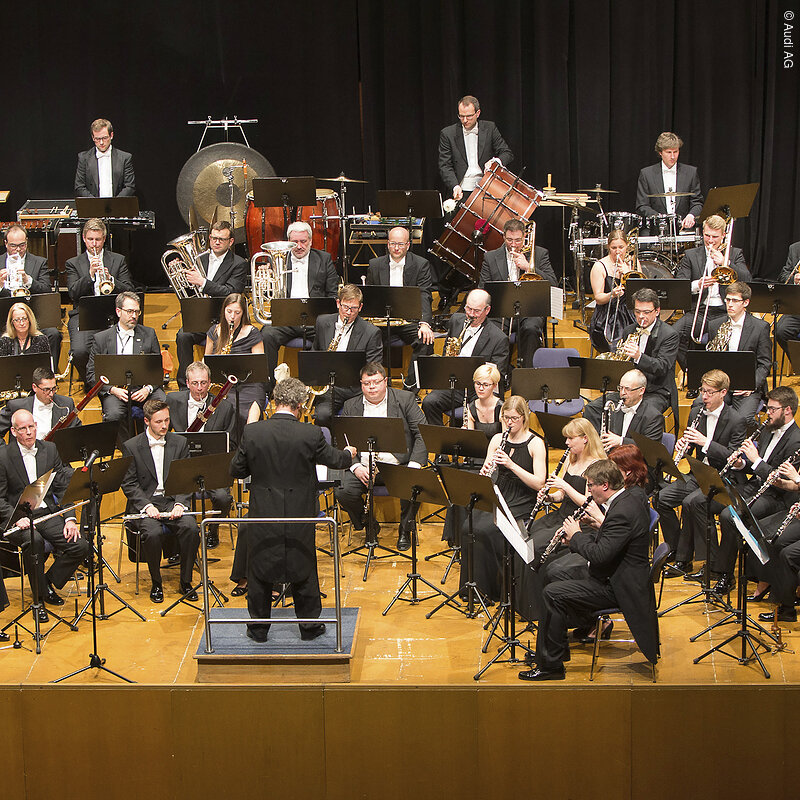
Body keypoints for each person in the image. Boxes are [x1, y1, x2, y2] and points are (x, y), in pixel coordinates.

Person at [230, 377, 356, 642]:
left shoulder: (253, 432)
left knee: (260, 567)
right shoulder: (310, 433)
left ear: (275, 401)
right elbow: (337, 459)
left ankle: (259, 629)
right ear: (300, 405)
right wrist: (350, 453)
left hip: (264, 511)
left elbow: (236, 470)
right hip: (300, 510)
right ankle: (309, 628)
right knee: (303, 564)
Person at [518, 459, 656, 681]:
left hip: (619, 586)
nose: (588, 490)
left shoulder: (622, 511)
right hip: (615, 573)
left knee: (553, 594)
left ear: (604, 486)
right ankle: (554, 650)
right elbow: (615, 539)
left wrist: (576, 536)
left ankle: (551, 666)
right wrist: (595, 527)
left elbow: (600, 555)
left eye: (591, 485)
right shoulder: (631, 496)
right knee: (554, 573)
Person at [709, 386, 800, 595]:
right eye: (767, 408)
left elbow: (783, 478)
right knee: (717, 502)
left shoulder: (796, 440)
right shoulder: (769, 428)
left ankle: (727, 575)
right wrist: (741, 463)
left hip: (778, 495)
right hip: (756, 485)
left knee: (730, 517)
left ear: (787, 410)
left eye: (772, 409)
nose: (767, 413)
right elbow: (755, 466)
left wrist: (756, 460)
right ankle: (728, 569)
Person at [0, 409, 89, 622]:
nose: (29, 432)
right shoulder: (2, 456)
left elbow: (61, 488)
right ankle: (39, 599)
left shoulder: (49, 449)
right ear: (13, 431)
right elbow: (0, 498)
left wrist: (69, 518)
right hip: (17, 519)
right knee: (35, 542)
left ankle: (46, 582)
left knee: (80, 546)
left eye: (32, 426)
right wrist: (15, 518)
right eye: (23, 429)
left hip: (44, 514)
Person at [658, 369, 746, 577]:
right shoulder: (698, 410)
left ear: (723, 392)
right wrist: (684, 446)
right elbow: (691, 447)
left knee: (693, 502)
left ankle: (712, 564)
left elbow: (734, 456)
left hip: (722, 478)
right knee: (662, 498)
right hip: (698, 474)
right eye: (702, 391)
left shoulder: (736, 420)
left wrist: (705, 442)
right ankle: (679, 552)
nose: (704, 396)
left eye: (709, 392)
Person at [517, 418, 606, 622]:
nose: (566, 443)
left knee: (535, 548)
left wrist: (565, 487)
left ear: (585, 439)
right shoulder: (571, 460)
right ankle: (523, 602)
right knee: (527, 536)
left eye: (570, 439)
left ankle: (536, 608)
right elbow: (561, 496)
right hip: (561, 514)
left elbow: (589, 502)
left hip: (580, 523)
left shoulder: (597, 465)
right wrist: (550, 496)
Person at [335, 363, 426, 550]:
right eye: (367, 383)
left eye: (376, 382)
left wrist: (415, 464)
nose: (372, 387)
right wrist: (355, 467)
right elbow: (343, 440)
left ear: (385, 381)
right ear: (361, 384)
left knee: (415, 484)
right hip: (364, 466)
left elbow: (422, 433)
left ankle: (405, 530)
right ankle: (368, 524)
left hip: (398, 464)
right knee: (343, 491)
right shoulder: (351, 405)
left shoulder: (405, 399)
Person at [465, 396, 546, 603]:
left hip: (521, 499)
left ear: (524, 418)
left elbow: (539, 483)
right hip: (498, 494)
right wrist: (485, 472)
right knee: (469, 525)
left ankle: (495, 589)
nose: (510, 422)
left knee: (488, 530)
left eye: (514, 418)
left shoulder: (535, 443)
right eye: (506, 417)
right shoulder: (496, 439)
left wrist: (511, 465)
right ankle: (474, 589)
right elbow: (488, 474)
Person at [120, 398, 200, 604]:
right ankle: (156, 582)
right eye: (158, 422)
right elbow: (129, 484)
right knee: (153, 533)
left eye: (166, 420)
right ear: (146, 421)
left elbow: (185, 479)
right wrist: (147, 507)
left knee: (191, 527)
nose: (164, 425)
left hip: (171, 499)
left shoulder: (180, 443)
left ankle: (186, 581)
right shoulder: (131, 446)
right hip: (145, 503)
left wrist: (180, 504)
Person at [671, 214, 751, 395]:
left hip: (725, 312)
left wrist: (725, 262)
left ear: (723, 235)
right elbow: (680, 284)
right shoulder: (691, 255)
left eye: (715, 237)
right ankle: (693, 374)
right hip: (699, 311)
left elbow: (747, 280)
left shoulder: (735, 253)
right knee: (672, 334)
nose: (710, 241)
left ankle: (721, 382)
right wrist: (697, 285)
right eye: (707, 235)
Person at [260, 220, 340, 393]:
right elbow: (269, 295)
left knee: (329, 335)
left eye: (303, 241)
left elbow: (333, 294)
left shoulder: (324, 259)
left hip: (315, 319)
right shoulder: (277, 259)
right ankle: (268, 389)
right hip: (286, 319)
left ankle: (319, 388)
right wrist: (267, 281)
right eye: (294, 242)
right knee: (266, 335)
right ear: (288, 241)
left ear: (310, 241)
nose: (299, 246)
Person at [166, 361, 236, 550]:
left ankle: (212, 530)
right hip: (182, 465)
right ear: (187, 383)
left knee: (223, 498)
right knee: (168, 497)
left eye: (203, 383)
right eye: (195, 383)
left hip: (211, 465)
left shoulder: (225, 407)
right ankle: (175, 542)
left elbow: (231, 443)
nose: (199, 388)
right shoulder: (172, 401)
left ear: (210, 382)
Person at [173, 221, 248, 389]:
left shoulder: (239, 263)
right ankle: (184, 386)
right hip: (201, 318)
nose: (216, 242)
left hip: (225, 321)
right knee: (183, 335)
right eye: (214, 238)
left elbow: (232, 292)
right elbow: (189, 293)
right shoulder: (200, 260)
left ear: (231, 241)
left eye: (221, 239)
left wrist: (203, 282)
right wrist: (181, 276)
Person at [583, 289, 679, 419]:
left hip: (656, 390)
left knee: (640, 414)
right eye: (637, 311)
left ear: (657, 311)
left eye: (646, 312)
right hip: (630, 390)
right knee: (592, 408)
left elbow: (662, 367)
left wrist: (639, 356)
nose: (641, 316)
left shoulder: (669, 335)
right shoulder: (629, 330)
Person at [422, 288, 510, 425]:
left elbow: (497, 374)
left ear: (487, 310)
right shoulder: (456, 320)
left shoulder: (498, 338)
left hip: (479, 389)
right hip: (454, 385)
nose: (470, 314)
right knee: (429, 402)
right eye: (468, 309)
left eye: (476, 311)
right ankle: (439, 443)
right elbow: (447, 348)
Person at [65, 218, 135, 389]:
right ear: (83, 238)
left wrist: (111, 279)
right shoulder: (73, 263)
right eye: (90, 239)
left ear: (104, 239)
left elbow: (129, 290)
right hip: (84, 315)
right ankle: (93, 384)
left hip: (112, 313)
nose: (94, 244)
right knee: (80, 351)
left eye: (97, 239)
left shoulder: (118, 260)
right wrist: (89, 276)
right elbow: (73, 293)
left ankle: (114, 382)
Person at [87, 291, 165, 443]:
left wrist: (147, 388)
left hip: (143, 389)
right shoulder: (101, 339)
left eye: (137, 311)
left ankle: (151, 446)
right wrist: (112, 389)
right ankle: (127, 449)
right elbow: (91, 374)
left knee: (160, 405)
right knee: (113, 414)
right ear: (118, 311)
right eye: (129, 311)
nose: (134, 316)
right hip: (116, 391)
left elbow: (158, 370)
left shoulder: (149, 334)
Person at [479, 219, 558, 366]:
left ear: (525, 238)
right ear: (503, 237)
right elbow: (483, 288)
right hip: (500, 312)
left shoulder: (540, 254)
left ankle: (526, 376)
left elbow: (553, 283)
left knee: (531, 328)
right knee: (492, 329)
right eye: (509, 240)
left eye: (518, 240)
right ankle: (498, 377)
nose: (513, 244)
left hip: (530, 311)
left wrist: (529, 268)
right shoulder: (490, 257)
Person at [365, 226, 435, 391]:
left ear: (408, 245)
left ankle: (411, 388)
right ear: (388, 244)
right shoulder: (375, 265)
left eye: (401, 244)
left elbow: (425, 294)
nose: (396, 248)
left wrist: (425, 323)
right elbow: (370, 295)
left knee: (425, 340)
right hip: (381, 321)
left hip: (409, 320)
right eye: (393, 244)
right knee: (365, 339)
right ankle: (376, 386)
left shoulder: (420, 264)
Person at [311, 284, 383, 427]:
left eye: (354, 308)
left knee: (356, 422)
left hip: (356, 389)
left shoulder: (371, 332)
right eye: (345, 307)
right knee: (322, 416)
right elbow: (315, 352)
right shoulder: (322, 322)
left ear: (360, 307)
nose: (349, 312)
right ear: (338, 303)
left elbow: (374, 367)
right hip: (330, 388)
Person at [702, 280, 771, 421]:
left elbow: (764, 363)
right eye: (728, 300)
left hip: (747, 387)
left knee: (743, 419)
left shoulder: (760, 327)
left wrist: (752, 386)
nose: (730, 304)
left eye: (735, 300)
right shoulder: (715, 325)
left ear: (745, 303)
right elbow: (711, 359)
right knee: (699, 407)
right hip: (720, 386)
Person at [1, 225, 61, 365]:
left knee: (53, 334)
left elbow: (46, 290)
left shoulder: (39, 262)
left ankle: (47, 378)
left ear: (27, 242)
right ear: (5, 244)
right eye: (13, 246)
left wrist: (28, 280)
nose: (18, 249)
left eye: (22, 245)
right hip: (4, 319)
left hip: (33, 316)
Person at [438, 95, 513, 202]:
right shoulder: (448, 134)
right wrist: (455, 186)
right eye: (461, 116)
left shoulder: (489, 128)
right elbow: (445, 165)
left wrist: (496, 161)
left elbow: (507, 153)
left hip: (486, 189)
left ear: (478, 113)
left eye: (469, 116)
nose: (464, 120)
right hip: (461, 190)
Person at [205, 292, 265, 424]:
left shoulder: (253, 333)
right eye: (229, 311)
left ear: (243, 313)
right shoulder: (214, 331)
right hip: (224, 387)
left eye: (237, 312)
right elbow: (206, 363)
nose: (232, 316)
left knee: (252, 421)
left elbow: (259, 367)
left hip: (250, 386)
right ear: (223, 311)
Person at [635, 131, 703, 229]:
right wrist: (660, 219)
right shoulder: (646, 174)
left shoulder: (691, 172)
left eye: (675, 152)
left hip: (683, 229)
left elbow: (697, 202)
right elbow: (642, 206)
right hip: (656, 229)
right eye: (668, 152)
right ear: (660, 152)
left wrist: (691, 215)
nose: (672, 156)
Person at [584, 369, 664, 451]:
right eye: (621, 388)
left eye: (627, 389)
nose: (622, 393)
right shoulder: (613, 406)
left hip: (634, 461)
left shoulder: (653, 416)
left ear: (641, 391)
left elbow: (651, 447)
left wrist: (621, 441)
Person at [587, 230, 637, 353]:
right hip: (608, 316)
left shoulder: (633, 263)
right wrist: (612, 294)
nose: (618, 251)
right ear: (608, 247)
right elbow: (598, 298)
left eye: (621, 247)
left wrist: (627, 273)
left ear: (627, 246)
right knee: (614, 348)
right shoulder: (600, 266)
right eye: (614, 248)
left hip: (630, 313)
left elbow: (641, 292)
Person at [0, 366, 79, 439]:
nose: (51, 394)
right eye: (46, 390)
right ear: (34, 387)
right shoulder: (16, 406)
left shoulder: (66, 404)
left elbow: (77, 433)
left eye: (54, 388)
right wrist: (6, 451)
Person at [74, 118, 136, 198]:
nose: (101, 142)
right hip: (93, 207)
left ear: (111, 135)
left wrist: (114, 204)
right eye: (97, 139)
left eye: (105, 138)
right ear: (93, 138)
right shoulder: (83, 158)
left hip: (118, 207)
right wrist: (96, 204)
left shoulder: (125, 158)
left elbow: (129, 186)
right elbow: (79, 187)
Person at [774, 240, 800, 353]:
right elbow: (783, 275)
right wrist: (794, 278)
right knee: (781, 331)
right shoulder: (795, 248)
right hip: (797, 306)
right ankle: (797, 364)